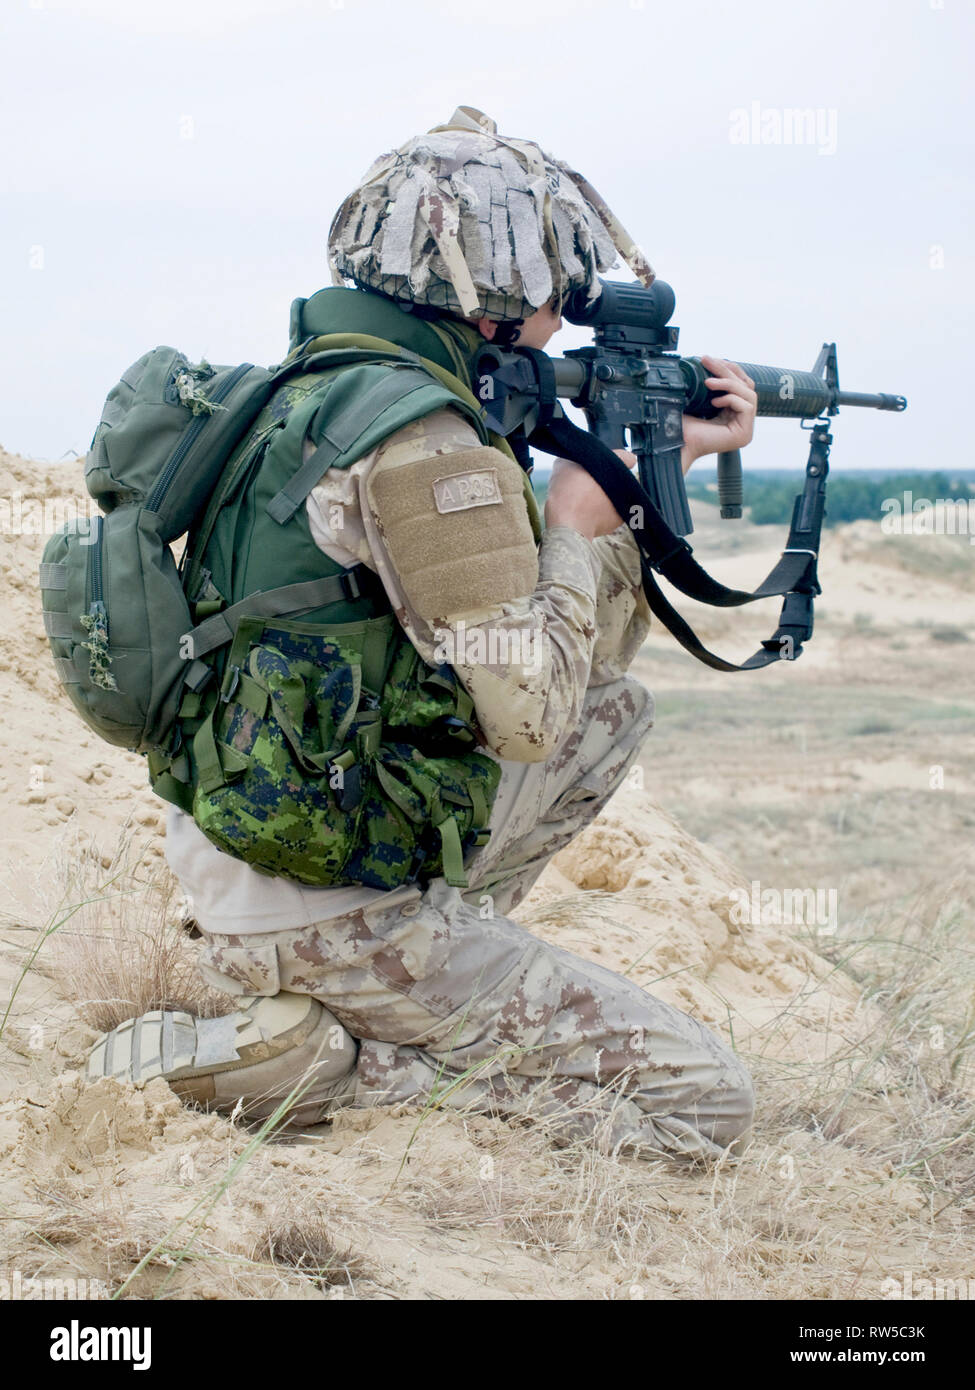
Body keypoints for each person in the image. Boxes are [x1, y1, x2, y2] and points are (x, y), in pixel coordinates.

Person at [89, 107, 758, 1163]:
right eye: (550, 288)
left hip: (253, 854)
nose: (559, 318)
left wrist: (645, 478)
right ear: (488, 292)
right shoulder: (431, 447)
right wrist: (576, 529)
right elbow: (528, 715)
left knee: (613, 709)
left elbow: (569, 681)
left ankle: (387, 986)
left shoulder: (307, 394)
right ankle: (343, 1062)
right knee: (706, 1104)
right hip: (331, 913)